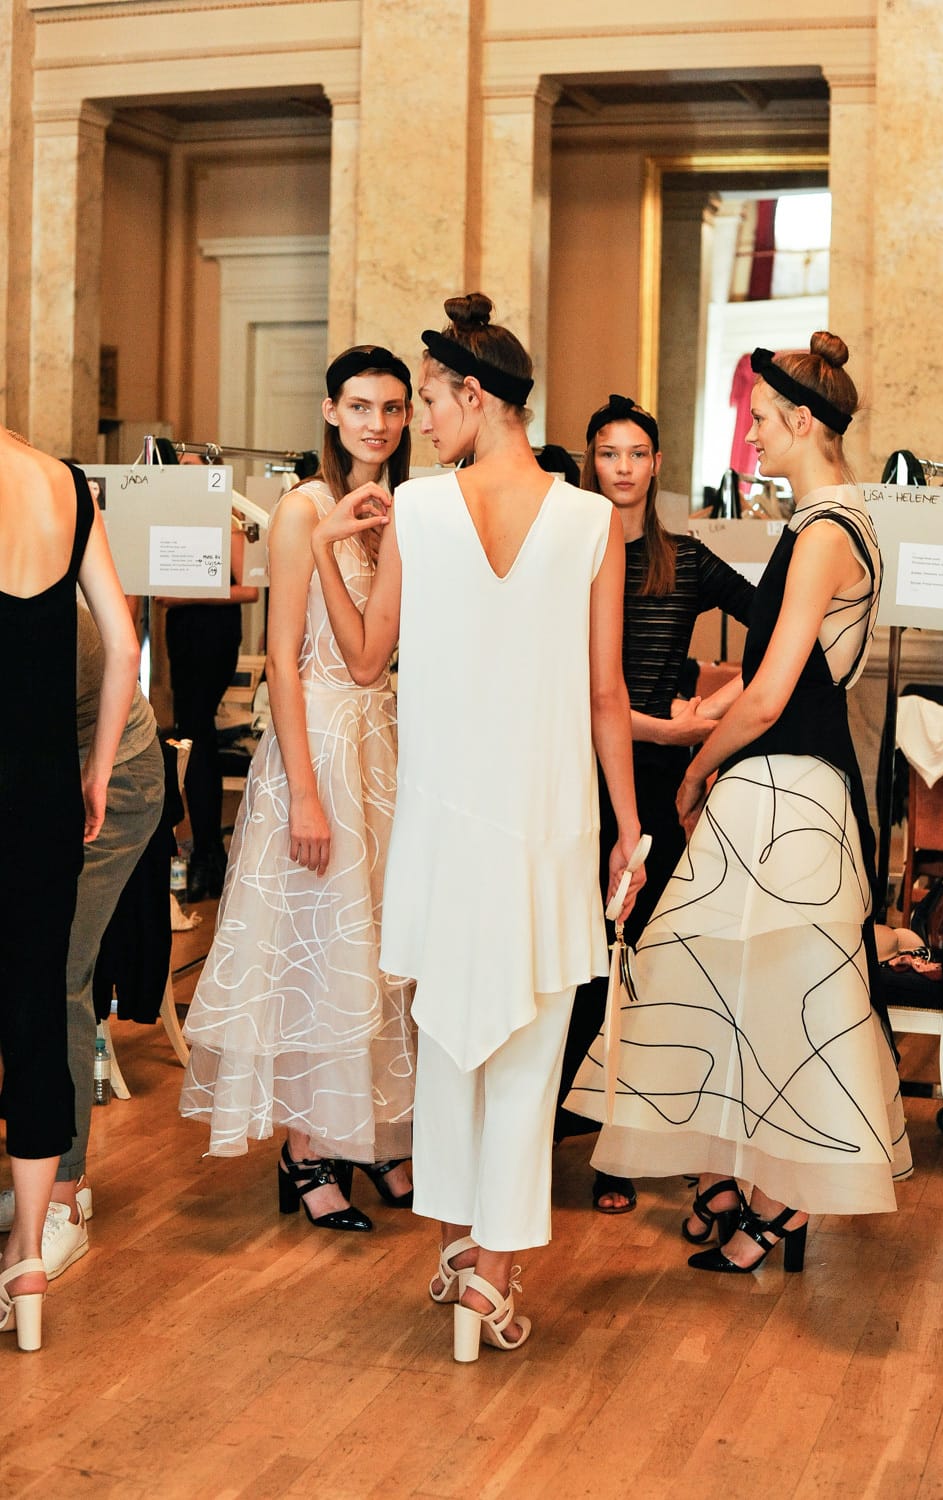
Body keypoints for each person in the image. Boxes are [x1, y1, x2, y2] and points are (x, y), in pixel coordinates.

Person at [310, 294, 645, 1359]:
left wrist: (321, 547)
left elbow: (366, 661)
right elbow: (605, 694)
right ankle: (488, 1273)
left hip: (445, 818)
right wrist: (627, 826)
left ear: (473, 393)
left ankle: (465, 1249)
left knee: (452, 1033)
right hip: (547, 814)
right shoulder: (591, 519)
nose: (417, 420)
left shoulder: (414, 508)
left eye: (428, 399)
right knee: (529, 1042)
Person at [566, 334, 911, 1272]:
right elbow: (766, 686)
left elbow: (767, 696)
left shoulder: (826, 532)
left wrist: (692, 767)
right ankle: (734, 1179)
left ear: (802, 420)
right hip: (781, 783)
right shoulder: (834, 521)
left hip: (785, 788)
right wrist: (706, 731)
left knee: (770, 993)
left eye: (759, 419)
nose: (750, 433)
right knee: (729, 987)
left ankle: (777, 1199)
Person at [179, 346, 417, 1230]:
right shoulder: (301, 508)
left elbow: (385, 654)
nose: (376, 424)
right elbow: (282, 659)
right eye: (359, 406)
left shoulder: (400, 514)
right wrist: (305, 796)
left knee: (376, 947)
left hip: (379, 745)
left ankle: (373, 1134)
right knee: (316, 949)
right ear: (329, 412)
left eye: (392, 408)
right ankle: (305, 1150)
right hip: (312, 743)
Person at [554, 395, 755, 1214]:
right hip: (578, 772)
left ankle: (619, 1148)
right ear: (591, 462)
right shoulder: (567, 551)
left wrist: (715, 710)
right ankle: (552, 1121)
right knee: (576, 959)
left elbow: (781, 627)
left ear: (658, 464)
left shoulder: (688, 560)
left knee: (639, 959)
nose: (624, 468)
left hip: (660, 782)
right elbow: (574, 691)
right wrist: (670, 728)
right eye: (609, 453)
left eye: (637, 453)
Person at [0, 429, 138, 1349]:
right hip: (45, 795)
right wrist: (95, 771)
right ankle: (26, 1255)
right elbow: (123, 645)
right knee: (38, 1015)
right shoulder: (62, 484)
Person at [0, 605, 163, 1277]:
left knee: (54, 973)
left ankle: (62, 1198)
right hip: (41, 775)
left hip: (108, 781)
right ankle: (37, 1173)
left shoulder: (29, 596)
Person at [160, 450, 259, 902]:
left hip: (214, 634)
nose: (183, 473)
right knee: (190, 730)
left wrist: (184, 596)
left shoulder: (229, 520)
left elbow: (249, 589)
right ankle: (206, 853)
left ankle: (207, 854)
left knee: (196, 731)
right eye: (178, 467)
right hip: (180, 633)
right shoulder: (173, 519)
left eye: (190, 466)